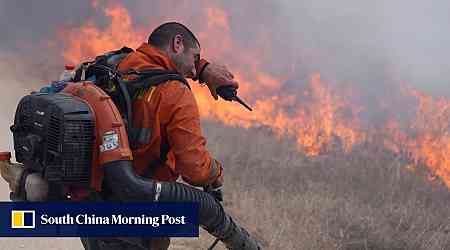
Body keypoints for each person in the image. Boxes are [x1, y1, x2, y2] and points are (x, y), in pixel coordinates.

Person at [81, 22, 244, 250]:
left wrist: (205, 69)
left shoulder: (117, 65)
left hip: (95, 203)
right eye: (195, 59)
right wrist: (215, 172)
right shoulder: (175, 92)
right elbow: (194, 168)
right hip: (139, 214)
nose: (194, 71)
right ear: (177, 43)